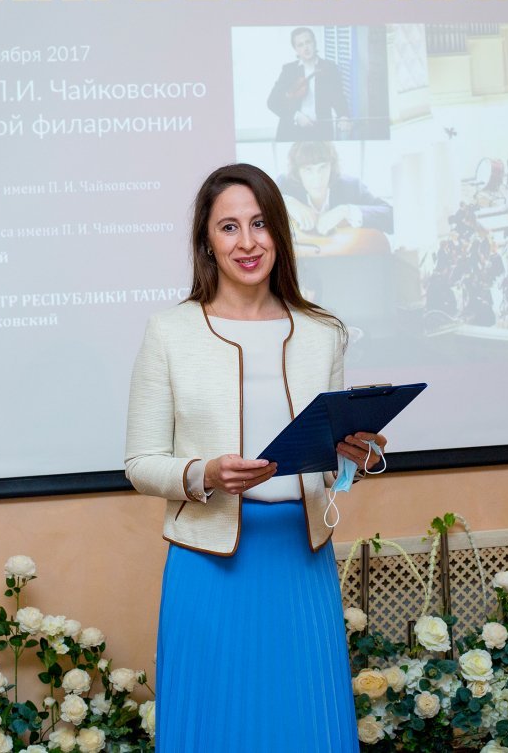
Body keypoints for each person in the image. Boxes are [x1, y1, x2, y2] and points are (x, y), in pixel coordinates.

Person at [125, 163, 385, 752]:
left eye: (260, 223)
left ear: (280, 234)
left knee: (305, 722)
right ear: (207, 242)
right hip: (208, 565)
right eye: (229, 227)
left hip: (301, 559)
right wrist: (205, 474)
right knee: (215, 726)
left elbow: (327, 466)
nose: (247, 242)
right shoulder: (169, 332)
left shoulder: (323, 332)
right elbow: (140, 463)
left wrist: (354, 459)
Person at [280, 141, 394, 236]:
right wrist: (285, 202)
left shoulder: (351, 186)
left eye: (323, 167)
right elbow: (267, 204)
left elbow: (391, 217)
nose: (317, 178)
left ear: (332, 166)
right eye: (308, 170)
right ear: (297, 172)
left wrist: (346, 211)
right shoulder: (285, 184)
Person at [266, 27, 351, 141]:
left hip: (321, 132)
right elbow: (272, 102)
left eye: (308, 42)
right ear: (295, 49)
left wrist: (343, 116)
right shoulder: (289, 70)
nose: (306, 48)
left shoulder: (330, 68)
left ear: (314, 43)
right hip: (292, 132)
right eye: (300, 45)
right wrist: (296, 116)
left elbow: (339, 98)